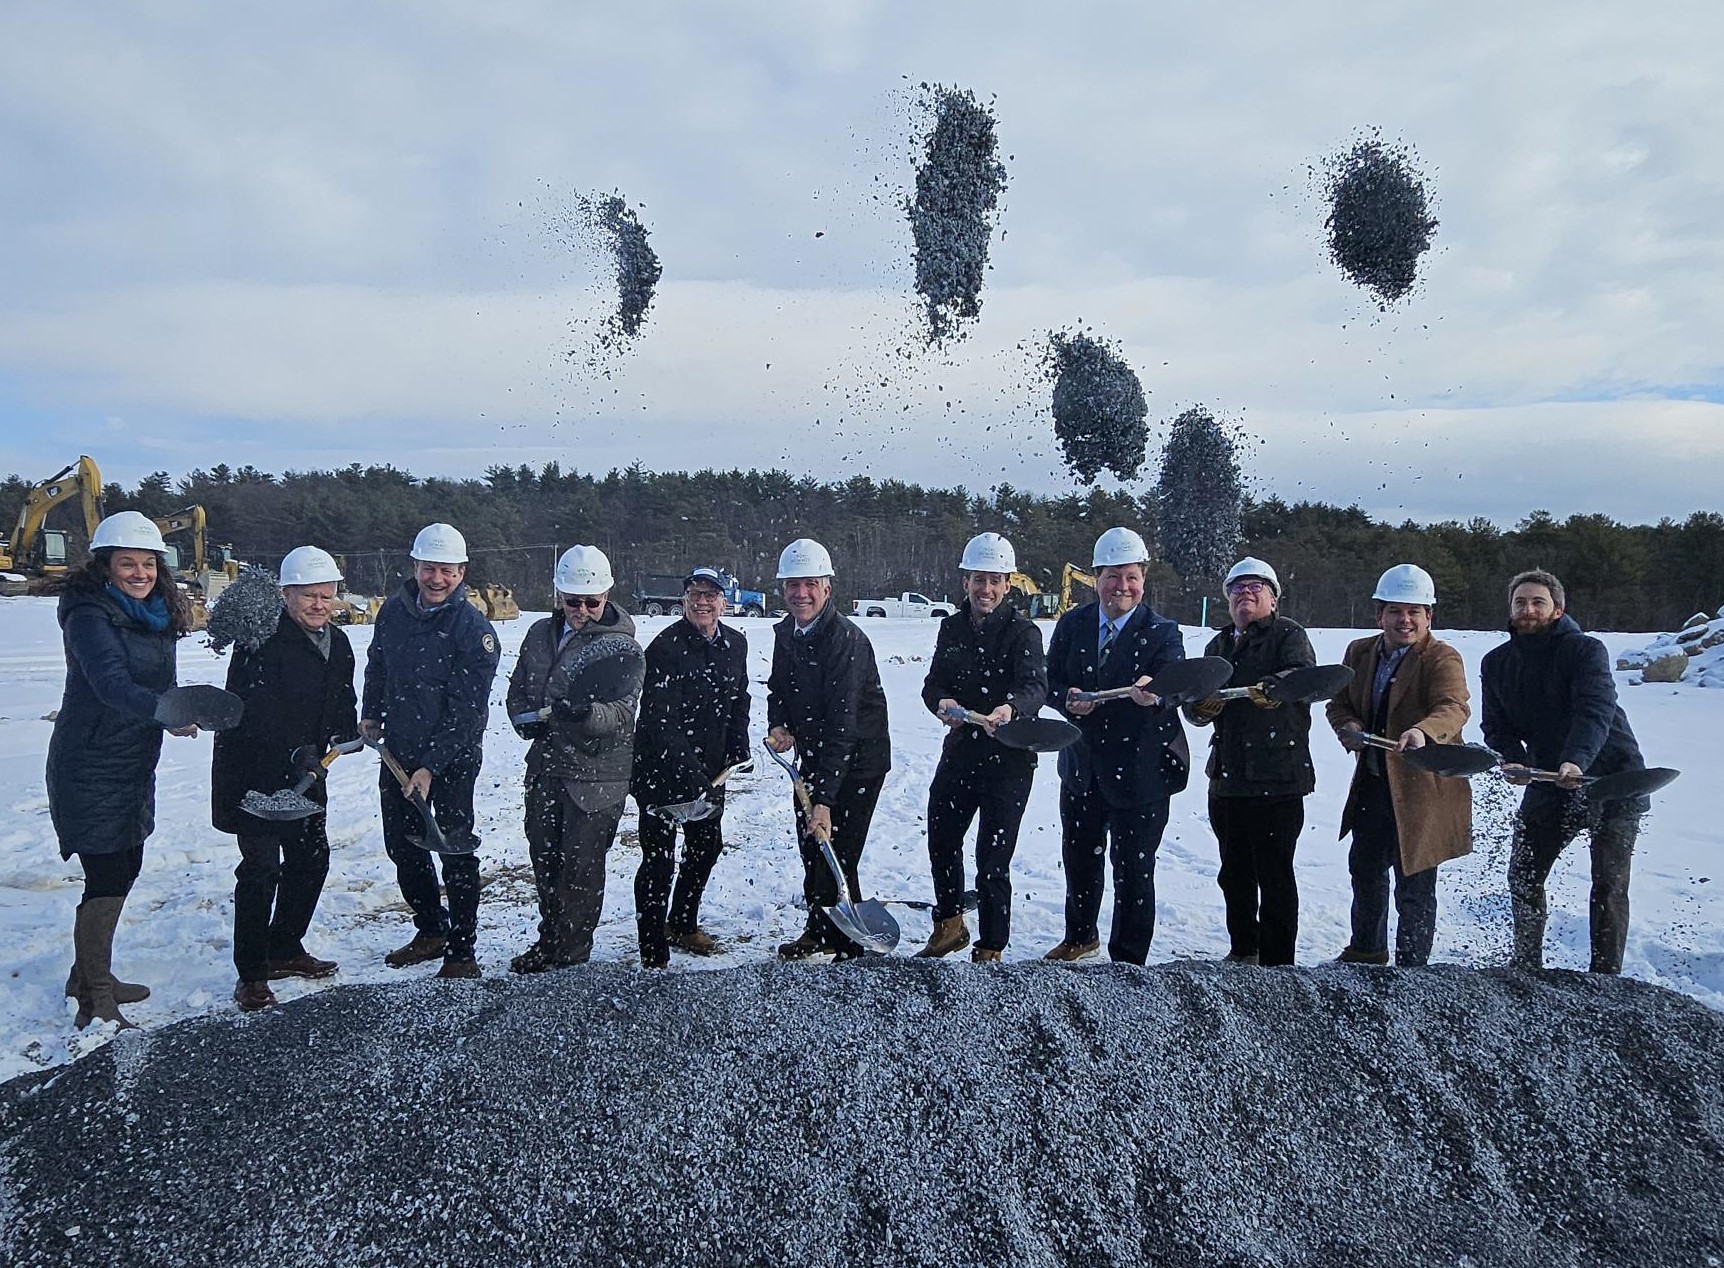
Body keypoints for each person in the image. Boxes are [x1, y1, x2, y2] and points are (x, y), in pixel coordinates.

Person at [46, 510, 198, 1028]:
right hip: (90, 760)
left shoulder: (155, 613)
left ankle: (87, 974)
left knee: (126, 862)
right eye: (127, 563)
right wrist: (165, 712)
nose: (140, 573)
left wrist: (178, 708)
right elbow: (110, 683)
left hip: (133, 757)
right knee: (107, 872)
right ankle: (95, 998)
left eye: (148, 563)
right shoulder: (90, 614)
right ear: (105, 566)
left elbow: (155, 682)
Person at [210, 547, 359, 1011]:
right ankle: (252, 974)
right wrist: (295, 749)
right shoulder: (261, 640)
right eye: (308, 595)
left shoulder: (339, 643)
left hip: (308, 774)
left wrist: (345, 730)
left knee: (311, 860)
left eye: (325, 596)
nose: (318, 604)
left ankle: (286, 947)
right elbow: (253, 711)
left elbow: (342, 697)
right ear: (285, 594)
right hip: (253, 775)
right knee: (261, 870)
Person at [1481, 569, 1650, 974]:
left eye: (1538, 602)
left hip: (1610, 776)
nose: (1528, 609)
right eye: (1520, 602)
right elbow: (1495, 725)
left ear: (1558, 610)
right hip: (1548, 778)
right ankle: (1526, 966)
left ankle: (1605, 977)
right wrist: (1513, 759)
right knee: (1523, 874)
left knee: (1608, 883)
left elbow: (1595, 710)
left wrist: (1576, 759)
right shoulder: (1497, 662)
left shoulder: (1585, 651)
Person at [1044, 527, 1190, 965]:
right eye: (1112, 576)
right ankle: (1080, 937)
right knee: (1080, 859)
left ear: (1143, 580)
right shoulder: (1073, 624)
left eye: (1131, 577)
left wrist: (1156, 693)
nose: (1121, 587)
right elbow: (1048, 681)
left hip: (1141, 773)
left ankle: (1128, 960)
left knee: (1134, 869)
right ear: (1096, 579)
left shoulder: (1162, 632)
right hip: (1082, 768)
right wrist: (1066, 698)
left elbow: (1177, 686)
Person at [361, 523, 499, 979]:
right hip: (398, 754)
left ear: (461, 573)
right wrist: (371, 712)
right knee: (403, 847)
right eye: (428, 568)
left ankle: (461, 952)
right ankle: (431, 929)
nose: (437, 579)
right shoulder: (392, 613)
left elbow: (467, 710)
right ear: (415, 566)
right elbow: (378, 666)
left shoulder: (473, 630)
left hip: (453, 758)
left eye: (447, 570)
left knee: (453, 848)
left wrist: (430, 767)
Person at [1325, 564, 1472, 967]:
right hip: (1374, 784)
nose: (1404, 620)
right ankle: (1367, 952)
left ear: (1429, 617)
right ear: (1379, 615)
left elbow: (1454, 707)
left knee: (1415, 884)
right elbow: (1339, 704)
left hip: (1422, 792)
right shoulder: (1359, 652)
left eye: (1413, 612)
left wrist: (1423, 732)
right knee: (1365, 871)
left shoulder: (1442, 657)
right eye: (1395, 611)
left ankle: (1413, 968)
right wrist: (1348, 726)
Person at [508, 545, 642, 972]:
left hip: (597, 776)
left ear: (606, 597)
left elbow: (622, 713)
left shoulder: (622, 646)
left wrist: (586, 715)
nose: (581, 610)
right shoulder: (538, 635)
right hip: (547, 768)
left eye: (591, 602)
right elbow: (518, 689)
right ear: (559, 595)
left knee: (581, 871)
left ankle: (571, 956)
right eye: (572, 601)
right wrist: (525, 719)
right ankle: (550, 941)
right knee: (545, 862)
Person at [916, 533, 1047, 962]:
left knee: (993, 858)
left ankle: (991, 945)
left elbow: (1035, 687)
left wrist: (1011, 708)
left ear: (1008, 584)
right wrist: (942, 703)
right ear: (965, 582)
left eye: (994, 580)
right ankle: (949, 924)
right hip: (961, 752)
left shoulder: (1024, 632)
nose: (985, 589)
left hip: (1009, 759)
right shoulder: (952, 628)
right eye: (978, 580)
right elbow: (933, 684)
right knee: (942, 838)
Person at [1182, 557, 1316, 967]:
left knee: (1275, 874)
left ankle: (1277, 963)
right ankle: (1244, 949)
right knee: (1234, 872)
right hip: (1228, 776)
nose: (1246, 594)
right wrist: (1199, 707)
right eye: (1237, 589)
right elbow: (1194, 702)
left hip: (1278, 778)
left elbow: (1304, 679)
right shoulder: (1218, 646)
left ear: (1273, 599)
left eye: (1256, 587)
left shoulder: (1288, 635)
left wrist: (1275, 688)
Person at [766, 538, 891, 961]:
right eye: (793, 585)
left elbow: (844, 725)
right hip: (816, 755)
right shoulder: (787, 633)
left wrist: (824, 801)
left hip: (859, 760)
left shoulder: (846, 641)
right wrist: (779, 723)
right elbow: (778, 689)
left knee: (838, 851)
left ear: (827, 589)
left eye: (810, 585)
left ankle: (851, 944)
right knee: (812, 847)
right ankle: (819, 929)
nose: (800, 594)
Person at [629, 567, 750, 968]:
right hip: (661, 771)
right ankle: (652, 949)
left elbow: (739, 699)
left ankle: (682, 922)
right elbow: (660, 720)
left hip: (711, 773)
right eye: (695, 594)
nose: (702, 602)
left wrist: (738, 745)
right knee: (658, 861)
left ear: (723, 602)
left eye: (710, 595)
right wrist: (691, 772)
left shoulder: (735, 644)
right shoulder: (665, 648)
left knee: (705, 848)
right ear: (684, 601)